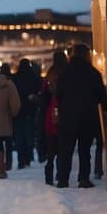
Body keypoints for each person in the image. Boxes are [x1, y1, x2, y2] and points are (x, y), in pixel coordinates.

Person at [55, 43, 106, 189]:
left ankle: (63, 179)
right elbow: (101, 95)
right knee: (85, 149)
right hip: (87, 116)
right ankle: (83, 178)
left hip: (68, 115)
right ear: (86, 55)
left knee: (66, 149)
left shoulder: (65, 72)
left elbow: (58, 94)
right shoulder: (93, 73)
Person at [42, 49, 67, 187]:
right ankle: (61, 173)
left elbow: (44, 92)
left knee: (51, 147)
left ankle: (49, 173)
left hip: (51, 111)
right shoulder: (68, 73)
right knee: (63, 146)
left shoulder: (50, 73)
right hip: (65, 111)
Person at [12, 59, 41, 169]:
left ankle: (21, 160)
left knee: (19, 136)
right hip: (30, 110)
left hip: (18, 111)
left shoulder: (15, 78)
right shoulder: (33, 78)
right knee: (29, 135)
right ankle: (28, 158)